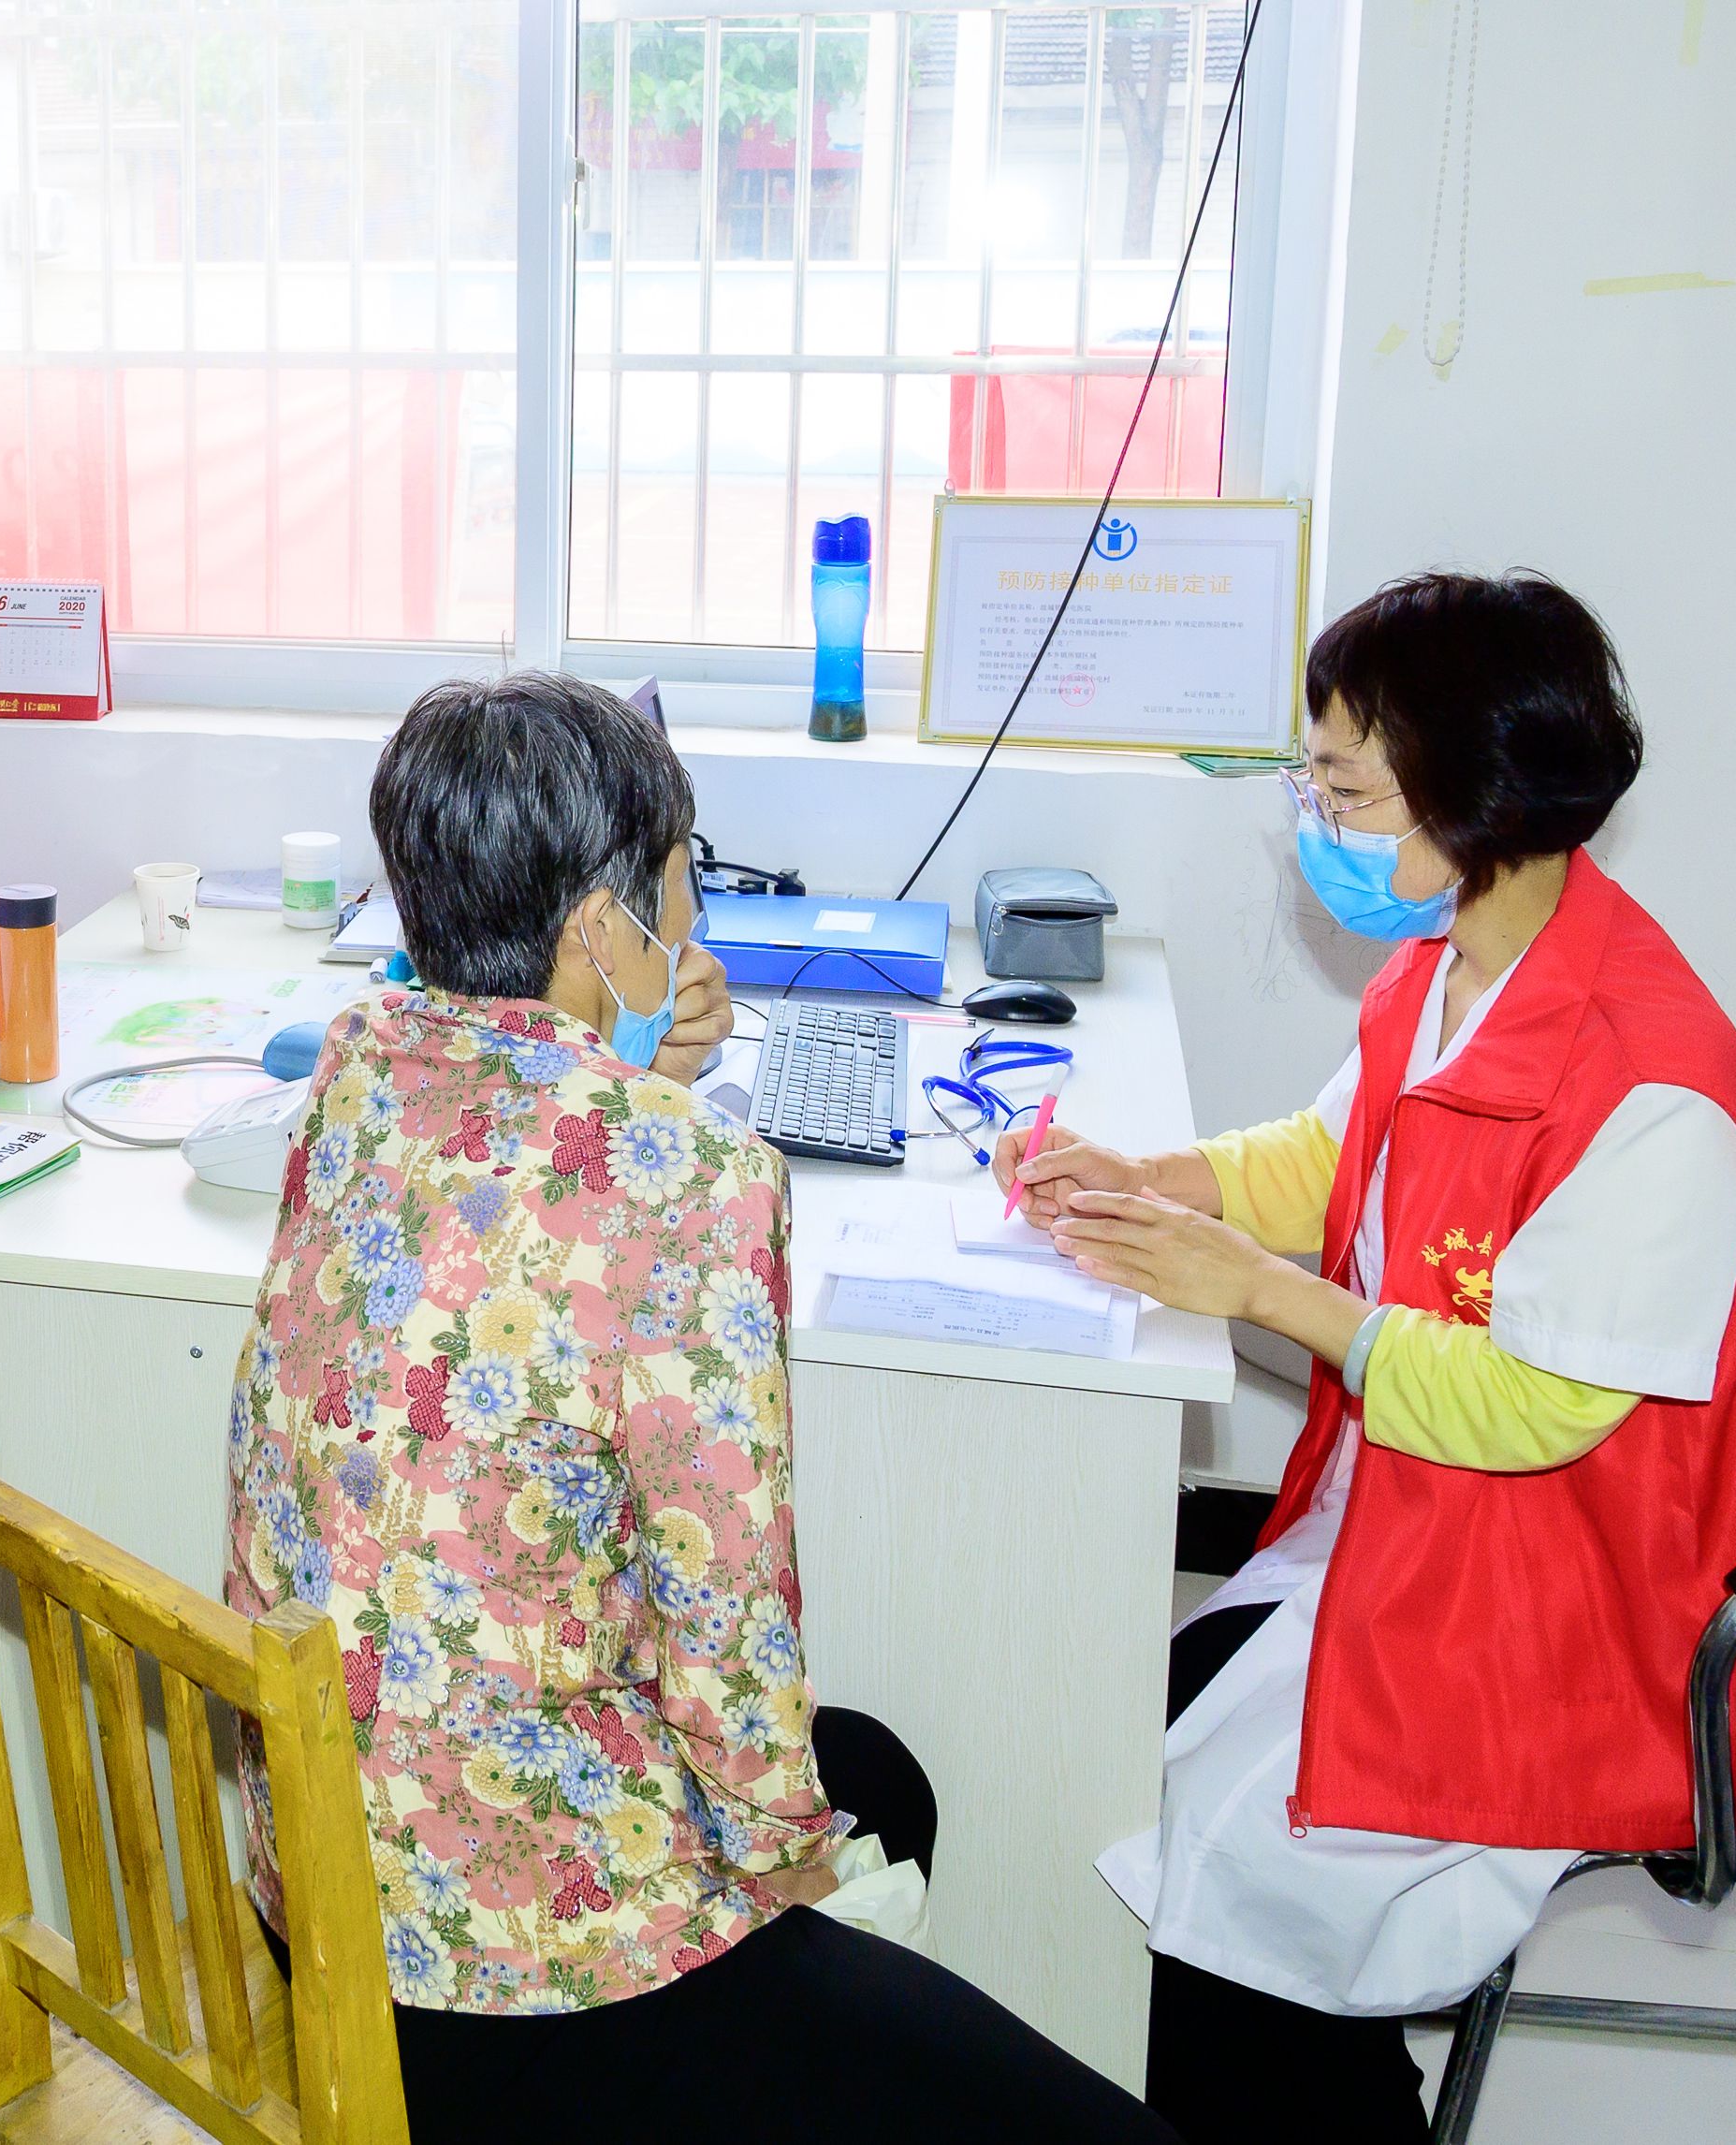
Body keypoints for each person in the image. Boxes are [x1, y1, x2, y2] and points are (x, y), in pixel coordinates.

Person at [226, 673, 1173, 2142]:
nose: (695, 926)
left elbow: (518, 1180)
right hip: (529, 1974)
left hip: (328, 1891)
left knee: (881, 1776)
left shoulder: (359, 1071)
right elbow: (723, 1616)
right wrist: (799, 1875)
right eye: (681, 890)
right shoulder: (686, 1175)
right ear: (600, 929)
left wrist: (630, 1076)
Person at [995, 575, 1736, 2143]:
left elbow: (1530, 1412)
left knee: (1223, 1905)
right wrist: (1149, 1180)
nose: (1317, 822)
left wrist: (1261, 1292)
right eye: (1313, 781)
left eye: (1346, 790)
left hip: (1586, 1616)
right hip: (1426, 1528)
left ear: (1476, 793)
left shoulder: (1651, 1086)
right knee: (1122, 1761)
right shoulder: (1455, 968)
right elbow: (1332, 1156)